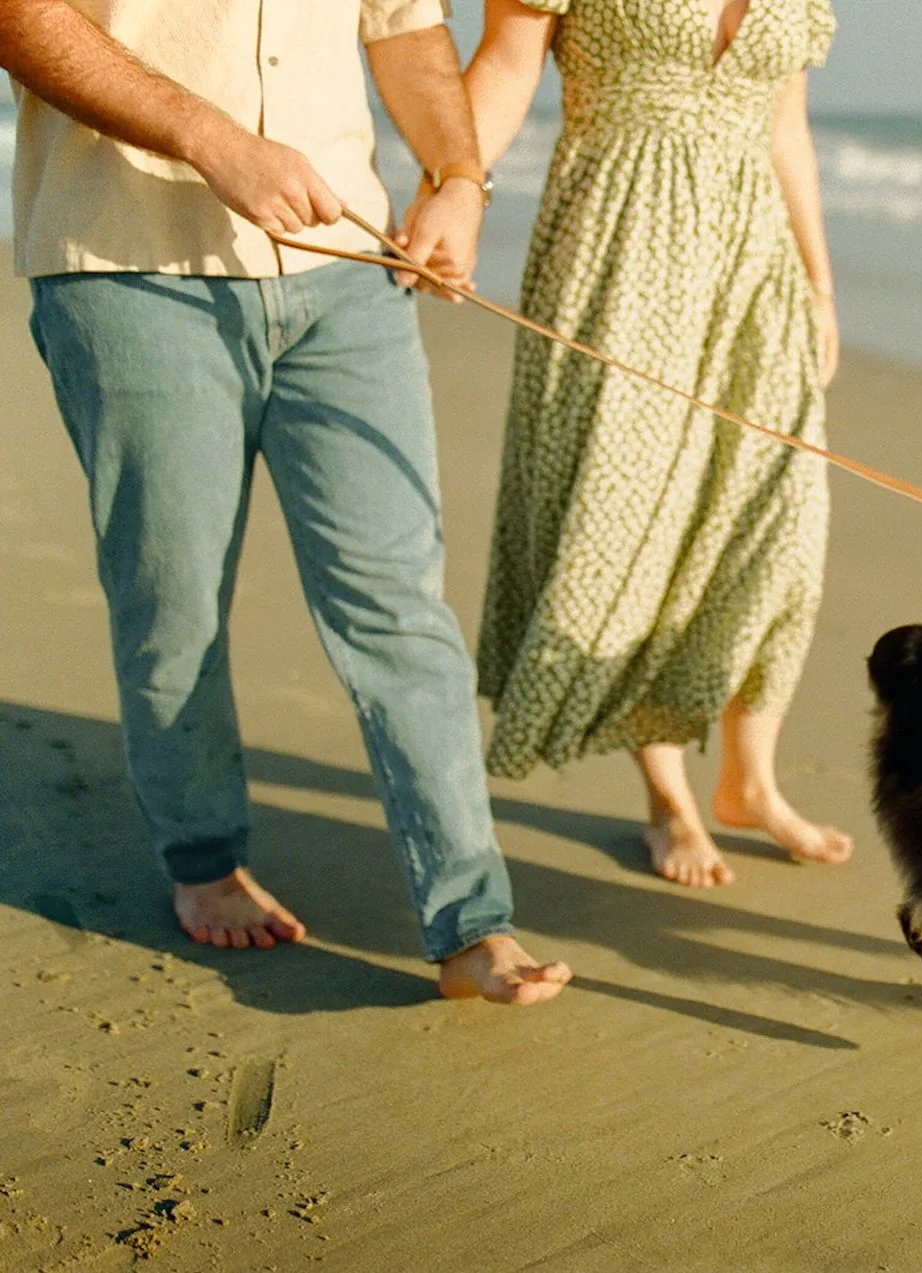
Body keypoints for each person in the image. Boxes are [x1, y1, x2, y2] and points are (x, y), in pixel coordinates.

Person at [0, 0, 571, 1004]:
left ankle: (470, 921)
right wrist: (214, 140)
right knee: (173, 597)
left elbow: (403, 27)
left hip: (343, 279)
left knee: (398, 599)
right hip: (132, 266)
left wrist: (460, 179)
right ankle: (205, 859)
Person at [464, 0, 851, 888]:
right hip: (619, 252)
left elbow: (784, 124)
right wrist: (449, 186)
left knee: (780, 523)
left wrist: (821, 284)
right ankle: (668, 797)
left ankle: (750, 779)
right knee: (630, 524)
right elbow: (508, 65)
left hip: (755, 265)